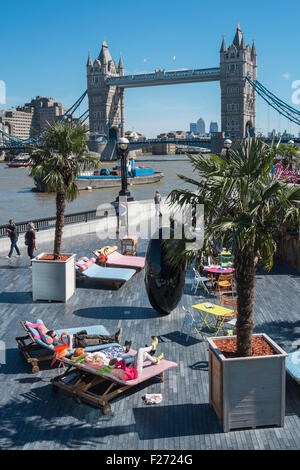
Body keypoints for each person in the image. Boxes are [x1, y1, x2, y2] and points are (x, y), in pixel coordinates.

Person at [46, 327, 123, 349]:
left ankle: (114, 336)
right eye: (55, 335)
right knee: (98, 341)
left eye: (56, 334)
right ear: (51, 339)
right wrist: (69, 338)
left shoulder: (58, 339)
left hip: (78, 336)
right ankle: (114, 341)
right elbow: (69, 349)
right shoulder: (57, 345)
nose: (57, 335)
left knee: (97, 335)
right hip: (79, 342)